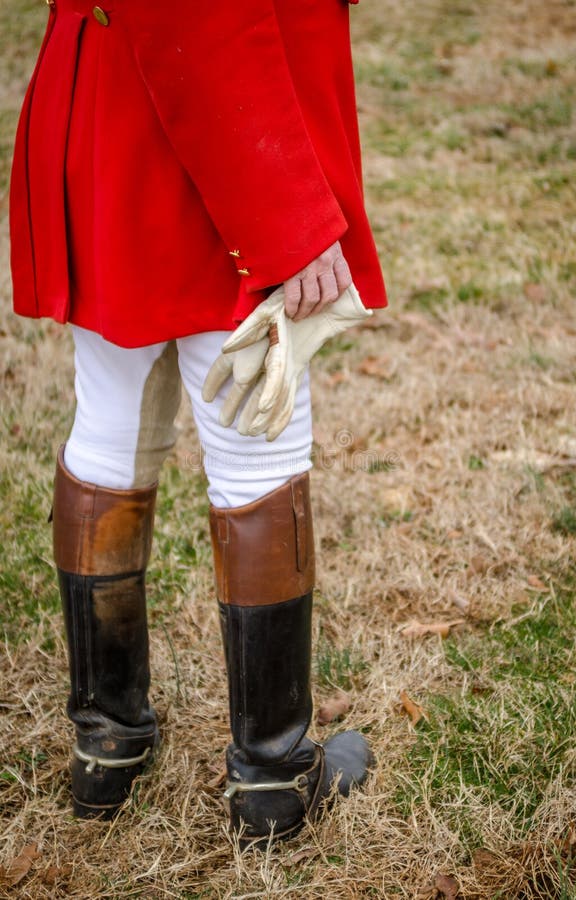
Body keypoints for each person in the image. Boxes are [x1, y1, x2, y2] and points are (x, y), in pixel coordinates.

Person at [9, 0, 387, 844]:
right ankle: (272, 775)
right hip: (209, 129)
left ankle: (106, 744)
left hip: (112, 112)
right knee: (260, 443)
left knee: (109, 426)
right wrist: (286, 212)